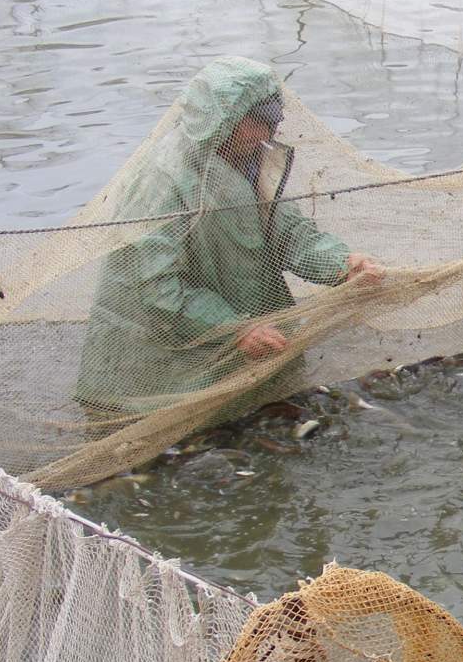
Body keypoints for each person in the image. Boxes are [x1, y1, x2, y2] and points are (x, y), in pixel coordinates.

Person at [74, 56, 380, 415]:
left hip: (240, 335)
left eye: (272, 123)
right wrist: (233, 329)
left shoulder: (248, 158)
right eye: (258, 123)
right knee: (173, 423)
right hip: (153, 368)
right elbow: (157, 287)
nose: (266, 135)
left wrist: (342, 264)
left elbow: (287, 232)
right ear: (223, 119)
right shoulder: (162, 180)